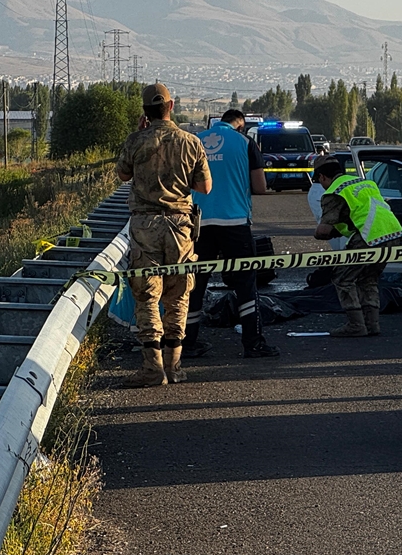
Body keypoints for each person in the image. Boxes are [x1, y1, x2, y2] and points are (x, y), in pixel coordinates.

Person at [116, 82, 212, 388]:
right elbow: (205, 187)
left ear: (145, 112)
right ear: (171, 107)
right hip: (181, 226)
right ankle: (175, 366)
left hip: (145, 226)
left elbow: (123, 174)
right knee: (178, 295)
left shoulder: (135, 141)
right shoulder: (191, 142)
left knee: (147, 296)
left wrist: (138, 135)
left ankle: (152, 367)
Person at [181, 109, 279, 361]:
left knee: (195, 285)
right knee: (246, 285)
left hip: (199, 222)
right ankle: (253, 343)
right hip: (235, 222)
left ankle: (188, 343)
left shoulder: (196, 141)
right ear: (240, 125)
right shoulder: (246, 143)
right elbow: (260, 187)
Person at [312, 158, 402, 337]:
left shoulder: (334, 192)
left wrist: (324, 233)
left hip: (368, 237)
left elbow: (323, 231)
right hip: (392, 234)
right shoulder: (365, 182)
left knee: (342, 278)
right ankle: (372, 325)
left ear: (322, 177)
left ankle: (355, 325)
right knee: (367, 279)